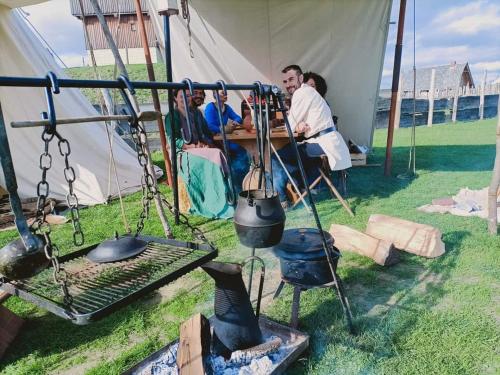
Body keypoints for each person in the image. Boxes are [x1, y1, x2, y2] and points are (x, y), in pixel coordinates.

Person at [272, 64, 351, 208]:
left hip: (324, 143)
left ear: (300, 78)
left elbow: (290, 123)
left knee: (276, 157)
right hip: (324, 141)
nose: (288, 84)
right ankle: (299, 189)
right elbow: (297, 120)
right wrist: (298, 124)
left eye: (291, 79)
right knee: (289, 154)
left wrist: (295, 124)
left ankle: (282, 200)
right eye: (285, 82)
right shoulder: (307, 92)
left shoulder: (302, 93)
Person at [165, 88, 234, 219]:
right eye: (182, 97)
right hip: (183, 153)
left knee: (219, 152)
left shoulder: (196, 113)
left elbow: (205, 133)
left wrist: (208, 144)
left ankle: (227, 195)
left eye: (188, 96)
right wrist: (192, 146)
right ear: (175, 99)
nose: (186, 99)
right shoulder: (172, 116)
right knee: (214, 156)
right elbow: (174, 141)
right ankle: (215, 202)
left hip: (199, 149)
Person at [204, 90, 250, 191]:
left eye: (225, 93)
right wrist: (222, 129)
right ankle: (236, 188)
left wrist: (234, 122)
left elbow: (238, 117)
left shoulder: (227, 107)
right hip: (216, 141)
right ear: (215, 95)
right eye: (222, 93)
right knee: (235, 153)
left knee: (242, 151)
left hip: (226, 138)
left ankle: (245, 184)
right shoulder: (210, 107)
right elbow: (209, 125)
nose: (225, 95)